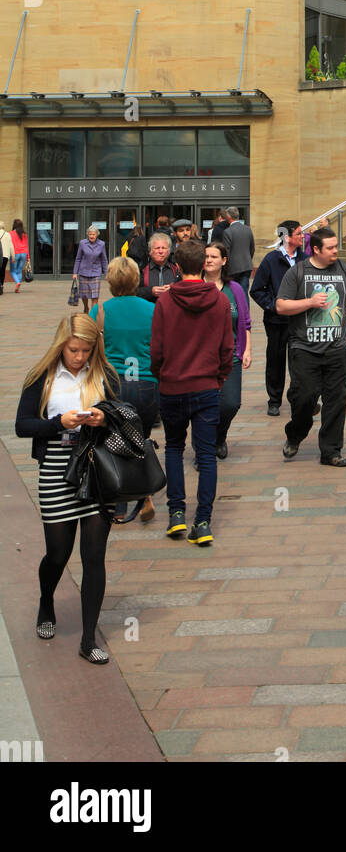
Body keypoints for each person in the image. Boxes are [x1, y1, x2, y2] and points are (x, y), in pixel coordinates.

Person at [15, 314, 119, 664]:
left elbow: (127, 415)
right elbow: (21, 426)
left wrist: (104, 418)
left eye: (86, 351)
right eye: (74, 350)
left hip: (96, 469)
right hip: (57, 468)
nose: (79, 357)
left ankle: (88, 638)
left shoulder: (103, 374)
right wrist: (58, 423)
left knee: (94, 557)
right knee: (58, 554)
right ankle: (47, 601)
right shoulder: (41, 376)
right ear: (62, 345)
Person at [149, 239, 233, 546]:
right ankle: (203, 521)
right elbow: (227, 347)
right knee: (206, 455)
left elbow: (155, 350)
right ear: (203, 265)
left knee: (173, 447)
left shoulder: (166, 302)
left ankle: (175, 514)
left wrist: (162, 375)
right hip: (207, 386)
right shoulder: (220, 301)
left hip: (172, 385)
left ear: (178, 266)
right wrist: (220, 376)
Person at [276, 225, 346, 466]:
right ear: (316, 249)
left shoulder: (345, 270)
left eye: (336, 246)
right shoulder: (298, 272)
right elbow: (281, 306)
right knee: (304, 399)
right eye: (331, 247)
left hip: (338, 350)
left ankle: (331, 451)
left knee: (337, 402)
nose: (336, 250)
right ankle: (295, 434)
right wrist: (310, 302)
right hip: (304, 349)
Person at [91, 256, 158, 524]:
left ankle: (118, 503)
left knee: (113, 441)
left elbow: (90, 350)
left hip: (113, 383)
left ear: (110, 280)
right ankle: (144, 494)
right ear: (136, 280)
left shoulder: (100, 311)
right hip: (145, 384)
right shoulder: (152, 309)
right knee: (140, 439)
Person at [250, 220, 306, 416]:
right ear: (287, 237)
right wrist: (273, 306)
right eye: (299, 233)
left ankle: (299, 399)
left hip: (300, 321)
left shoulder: (305, 259)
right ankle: (274, 400)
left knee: (300, 361)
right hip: (276, 322)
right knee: (276, 361)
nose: (303, 236)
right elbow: (256, 290)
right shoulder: (271, 260)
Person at [202, 241, 252, 460]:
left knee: (231, 403)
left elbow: (245, 322)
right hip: (201, 359)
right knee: (203, 406)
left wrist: (247, 350)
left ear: (224, 261)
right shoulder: (195, 287)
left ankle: (219, 435)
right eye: (206, 256)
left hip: (231, 356)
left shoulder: (236, 290)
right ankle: (204, 448)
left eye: (214, 257)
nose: (209, 260)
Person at [73, 225, 109, 313]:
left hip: (96, 272)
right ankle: (86, 307)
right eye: (90, 234)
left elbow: (104, 260)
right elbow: (78, 259)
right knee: (84, 295)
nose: (91, 236)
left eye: (93, 234)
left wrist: (107, 273)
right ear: (88, 235)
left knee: (95, 296)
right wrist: (75, 273)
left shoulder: (101, 244)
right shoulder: (82, 243)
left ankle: (93, 314)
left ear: (97, 235)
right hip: (83, 272)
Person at [137, 232, 181, 301]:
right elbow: (134, 292)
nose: (160, 251)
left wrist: (173, 289)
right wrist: (150, 291)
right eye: (157, 248)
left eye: (163, 248)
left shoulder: (177, 270)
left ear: (169, 251)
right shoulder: (142, 271)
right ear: (150, 251)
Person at [221, 207, 255, 295]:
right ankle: (245, 309)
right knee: (244, 293)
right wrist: (247, 259)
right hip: (247, 265)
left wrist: (225, 267)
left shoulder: (227, 232)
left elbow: (226, 252)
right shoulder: (248, 229)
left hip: (233, 267)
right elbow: (252, 248)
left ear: (228, 217)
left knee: (233, 293)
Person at [10, 218, 30, 293]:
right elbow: (26, 245)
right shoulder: (24, 234)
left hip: (15, 253)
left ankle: (17, 282)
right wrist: (28, 257)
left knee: (12, 271)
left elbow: (10, 245)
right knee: (19, 270)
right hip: (24, 253)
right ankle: (18, 287)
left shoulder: (11, 233)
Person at [0, 220, 12, 293]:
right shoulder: (7, 234)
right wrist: (13, 256)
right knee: (2, 270)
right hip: (5, 256)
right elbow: (11, 246)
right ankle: (1, 285)